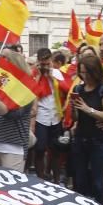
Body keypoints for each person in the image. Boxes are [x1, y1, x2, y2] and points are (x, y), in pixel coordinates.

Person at [69, 53, 103, 203]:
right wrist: (74, 109)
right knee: (80, 179)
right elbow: (76, 118)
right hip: (81, 138)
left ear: (95, 71)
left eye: (87, 72)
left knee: (97, 180)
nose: (84, 76)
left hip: (99, 140)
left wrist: (88, 109)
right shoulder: (78, 88)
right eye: (81, 72)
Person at [30, 47, 65, 182]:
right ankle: (41, 179)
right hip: (40, 117)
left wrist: (51, 76)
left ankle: (56, 180)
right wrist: (38, 76)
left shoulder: (56, 73)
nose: (45, 66)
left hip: (55, 116)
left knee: (56, 150)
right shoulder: (34, 74)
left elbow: (66, 88)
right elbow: (32, 91)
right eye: (42, 63)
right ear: (38, 61)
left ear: (51, 60)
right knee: (40, 149)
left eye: (47, 63)